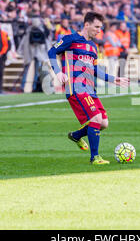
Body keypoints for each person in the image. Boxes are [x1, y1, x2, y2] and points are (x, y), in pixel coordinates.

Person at [47, 12, 130, 165]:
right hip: (75, 87)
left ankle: (76, 135)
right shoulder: (70, 39)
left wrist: (113, 79)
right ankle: (95, 157)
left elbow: (95, 70)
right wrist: (58, 72)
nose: (99, 30)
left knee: (104, 123)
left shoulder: (93, 46)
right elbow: (51, 52)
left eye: (101, 27)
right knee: (96, 119)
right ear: (87, 24)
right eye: (97, 26)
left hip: (90, 88)